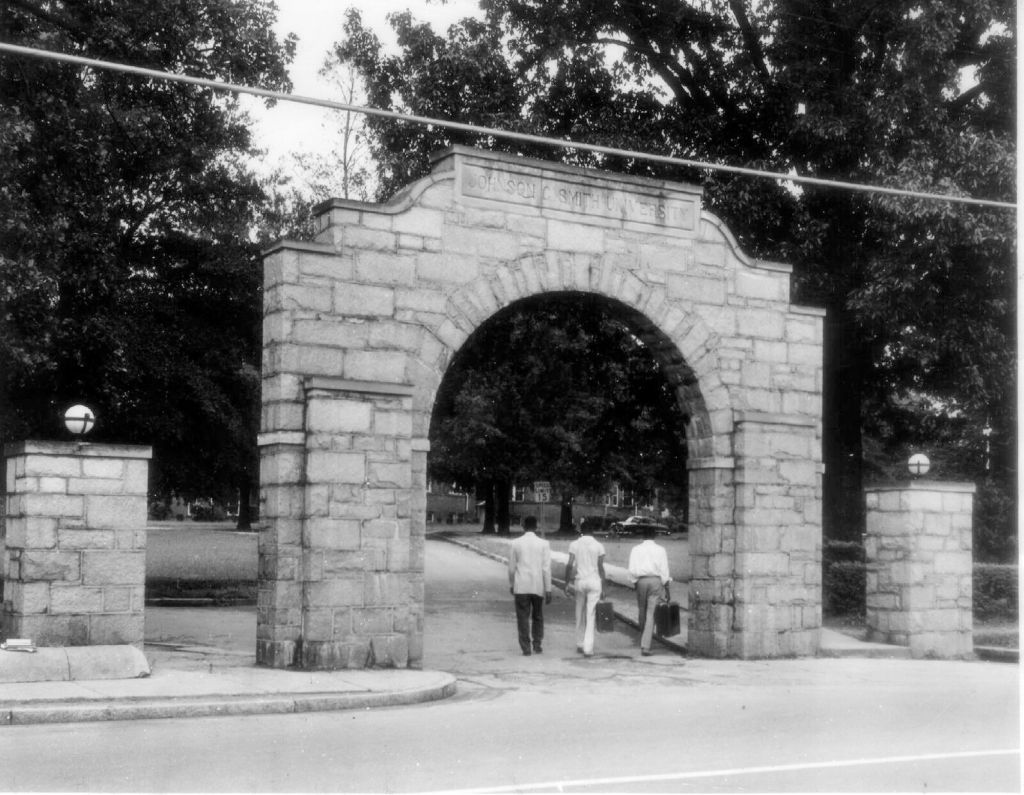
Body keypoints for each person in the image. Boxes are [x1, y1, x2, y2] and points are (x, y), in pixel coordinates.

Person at [508, 516, 552, 655]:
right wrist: (548, 588)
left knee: (522, 617)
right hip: (537, 585)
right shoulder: (544, 544)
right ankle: (537, 644)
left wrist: (512, 584)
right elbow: (546, 568)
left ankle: (526, 647)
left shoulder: (515, 543)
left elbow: (511, 568)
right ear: (536, 526)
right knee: (538, 616)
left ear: (523, 526)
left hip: (521, 585)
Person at [563, 523, 606, 657]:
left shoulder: (574, 544)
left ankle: (580, 642)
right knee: (590, 614)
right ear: (592, 531)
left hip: (580, 581)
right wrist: (604, 587)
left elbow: (570, 564)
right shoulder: (599, 545)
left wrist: (566, 582)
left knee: (579, 612)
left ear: (581, 531)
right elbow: (600, 567)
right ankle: (588, 647)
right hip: (594, 581)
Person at [627, 526, 671, 656]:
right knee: (651, 613)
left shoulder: (636, 549)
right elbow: (664, 570)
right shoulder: (661, 550)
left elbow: (632, 568)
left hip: (641, 580)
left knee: (642, 611)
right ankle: (645, 645)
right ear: (654, 536)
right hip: (656, 581)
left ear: (642, 536)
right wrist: (667, 587)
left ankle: (643, 637)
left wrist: (635, 582)